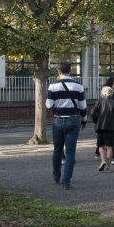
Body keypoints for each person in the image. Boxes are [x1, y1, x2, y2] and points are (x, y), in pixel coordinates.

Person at [46, 61, 87, 190]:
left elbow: (48, 105)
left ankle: (56, 176)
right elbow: (83, 106)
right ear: (70, 70)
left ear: (58, 71)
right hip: (73, 121)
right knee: (70, 153)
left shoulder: (53, 86)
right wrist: (84, 120)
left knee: (57, 150)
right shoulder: (78, 86)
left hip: (58, 120)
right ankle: (66, 181)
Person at [91, 86, 114, 172]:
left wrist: (96, 121)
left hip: (101, 127)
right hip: (113, 128)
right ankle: (108, 167)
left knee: (101, 146)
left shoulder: (99, 102)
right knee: (110, 147)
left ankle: (103, 161)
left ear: (102, 93)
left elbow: (92, 113)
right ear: (111, 93)